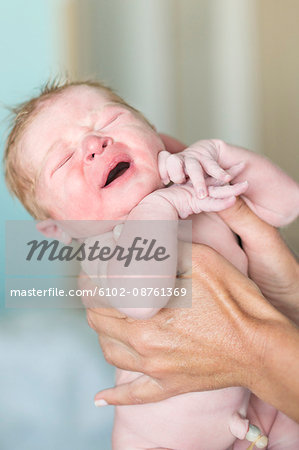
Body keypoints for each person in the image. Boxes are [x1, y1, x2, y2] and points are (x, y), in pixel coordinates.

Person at [4, 79, 299, 449]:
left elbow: (286, 203)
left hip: (262, 406)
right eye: (63, 160)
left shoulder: (195, 185)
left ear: (158, 137)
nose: (95, 144)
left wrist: (216, 155)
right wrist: (163, 206)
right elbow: (142, 299)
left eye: (110, 121)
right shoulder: (101, 246)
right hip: (160, 439)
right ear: (58, 228)